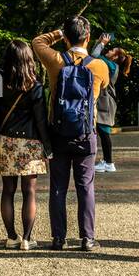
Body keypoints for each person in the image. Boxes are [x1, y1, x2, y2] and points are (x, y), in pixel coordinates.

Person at [32, 16, 111, 251]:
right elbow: (104, 87)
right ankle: (87, 238)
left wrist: (57, 32)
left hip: (58, 133)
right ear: (88, 38)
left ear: (66, 38)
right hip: (86, 134)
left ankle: (59, 238)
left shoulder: (56, 60)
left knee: (58, 187)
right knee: (85, 186)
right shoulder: (98, 66)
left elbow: (37, 42)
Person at [0, 39, 52, 251]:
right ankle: (27, 239)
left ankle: (11, 237)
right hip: (30, 143)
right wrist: (48, 146)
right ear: (29, 59)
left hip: (7, 141)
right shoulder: (35, 85)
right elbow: (40, 120)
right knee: (30, 191)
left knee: (7, 190)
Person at [92, 38, 132, 173]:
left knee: (104, 133)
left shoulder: (111, 65)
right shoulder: (110, 64)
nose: (108, 51)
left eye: (111, 50)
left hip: (106, 102)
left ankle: (109, 162)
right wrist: (99, 43)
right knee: (102, 132)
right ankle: (106, 161)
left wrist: (102, 43)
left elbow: (94, 56)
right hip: (105, 101)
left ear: (115, 56)